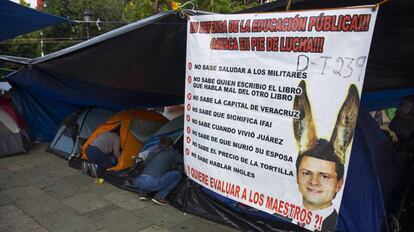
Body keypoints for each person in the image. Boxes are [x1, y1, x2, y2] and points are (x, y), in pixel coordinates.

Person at [295, 139, 344, 232]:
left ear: (339, 184)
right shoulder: (276, 217)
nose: (314, 182)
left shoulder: (340, 227)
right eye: (306, 173)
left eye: (324, 176)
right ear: (297, 176)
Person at [133, 136, 182, 206]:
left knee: (153, 172)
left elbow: (145, 163)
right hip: (152, 182)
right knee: (177, 174)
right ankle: (160, 196)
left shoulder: (153, 151)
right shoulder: (172, 152)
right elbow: (184, 161)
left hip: (138, 181)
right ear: (171, 146)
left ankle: (143, 193)